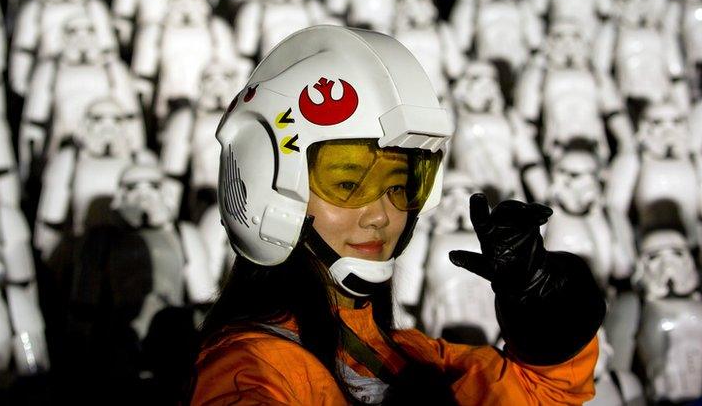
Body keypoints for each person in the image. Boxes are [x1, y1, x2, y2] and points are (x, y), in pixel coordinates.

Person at [190, 26, 606, 404]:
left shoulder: (409, 354)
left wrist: (544, 313)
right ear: (266, 178)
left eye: (398, 187)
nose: (381, 216)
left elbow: (543, 392)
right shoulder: (248, 369)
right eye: (349, 185)